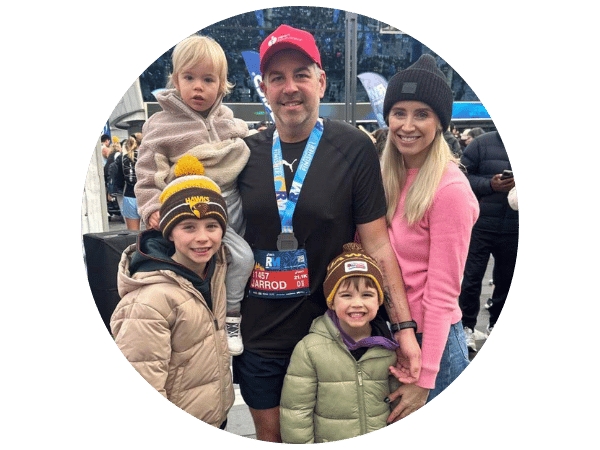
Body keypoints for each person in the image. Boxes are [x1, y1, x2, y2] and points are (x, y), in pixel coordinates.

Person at [233, 24, 421, 442]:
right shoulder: (244, 153)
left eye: (301, 74)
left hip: (337, 330)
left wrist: (404, 328)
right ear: (263, 87)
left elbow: (377, 245)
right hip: (262, 337)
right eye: (277, 78)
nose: (290, 88)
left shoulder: (353, 147)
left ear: (321, 80)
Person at [134, 34, 254, 356]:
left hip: (234, 202)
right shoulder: (160, 125)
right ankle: (231, 317)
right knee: (242, 258)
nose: (198, 87)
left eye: (207, 79)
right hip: (199, 209)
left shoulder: (228, 120)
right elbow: (146, 173)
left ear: (222, 84)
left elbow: (247, 139)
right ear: (175, 80)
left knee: (229, 261)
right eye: (189, 78)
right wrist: (151, 207)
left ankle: (221, 309)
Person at [379, 54, 480, 414]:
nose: (407, 125)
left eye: (422, 114)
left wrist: (427, 380)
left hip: (430, 343)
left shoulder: (449, 189)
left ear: (440, 122)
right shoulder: (385, 177)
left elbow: (442, 294)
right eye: (399, 112)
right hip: (393, 333)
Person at [110, 155, 234, 428]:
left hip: (215, 415)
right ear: (169, 233)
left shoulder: (215, 270)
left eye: (212, 226)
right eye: (188, 227)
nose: (203, 237)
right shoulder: (148, 301)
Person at [279, 242, 400, 443]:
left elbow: (399, 405)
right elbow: (297, 412)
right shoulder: (310, 349)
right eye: (346, 295)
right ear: (332, 301)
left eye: (367, 295)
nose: (357, 303)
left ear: (379, 300)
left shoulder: (389, 348)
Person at [459, 130, 517, 350]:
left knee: (508, 280)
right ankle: (467, 327)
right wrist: (490, 185)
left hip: (515, 227)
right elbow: (461, 176)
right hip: (479, 224)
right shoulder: (481, 144)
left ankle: (497, 324)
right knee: (472, 278)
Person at [109, 133, 142, 230]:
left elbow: (118, 179)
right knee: (151, 234)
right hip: (146, 198)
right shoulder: (146, 157)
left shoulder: (122, 158)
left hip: (129, 197)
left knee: (133, 235)